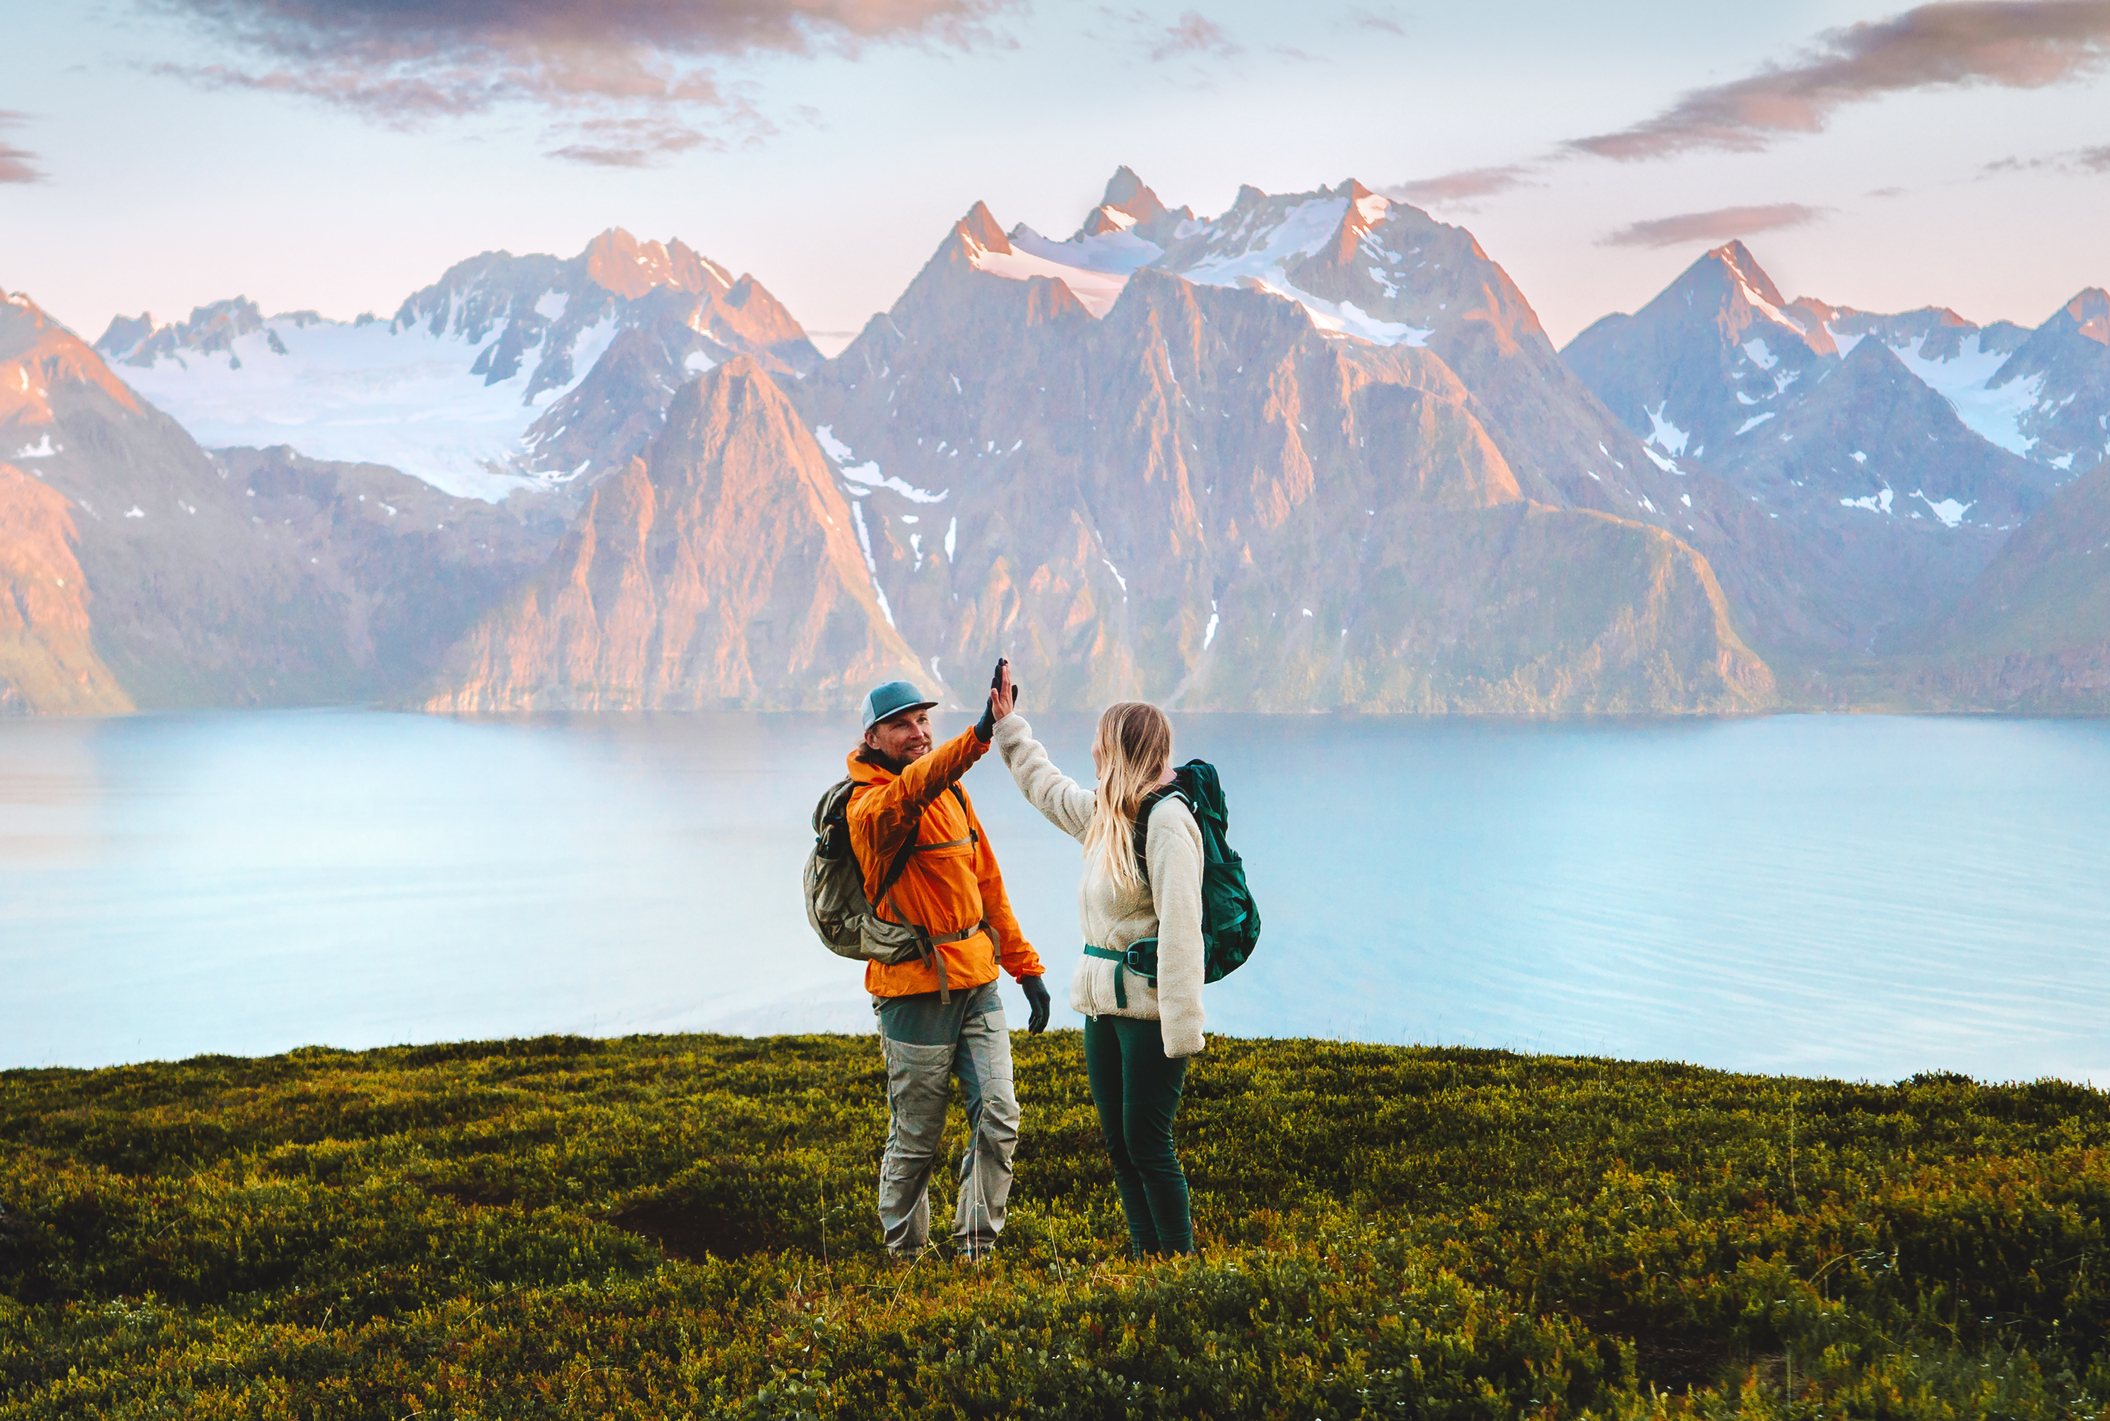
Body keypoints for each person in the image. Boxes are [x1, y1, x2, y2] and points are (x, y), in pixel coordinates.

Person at [987, 662, 1205, 1257]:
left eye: (1101, 744)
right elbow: (1047, 788)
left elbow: (1185, 934)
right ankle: (1144, 1258)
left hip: (1150, 1015)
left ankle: (1181, 1266)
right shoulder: (1109, 816)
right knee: (1118, 1142)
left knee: (1149, 1143)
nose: (1090, 751)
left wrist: (1181, 1032)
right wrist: (1010, 728)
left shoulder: (1167, 822)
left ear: (1124, 751)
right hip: (1102, 1008)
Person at [846, 677, 1052, 1262]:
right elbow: (910, 790)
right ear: (873, 738)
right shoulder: (871, 808)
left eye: (923, 721)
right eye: (903, 724)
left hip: (977, 980)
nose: (918, 731)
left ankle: (975, 1252)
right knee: (916, 1138)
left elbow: (987, 884)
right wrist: (980, 735)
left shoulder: (953, 794)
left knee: (1000, 1116)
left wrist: (1024, 967)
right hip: (913, 991)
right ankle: (905, 1260)